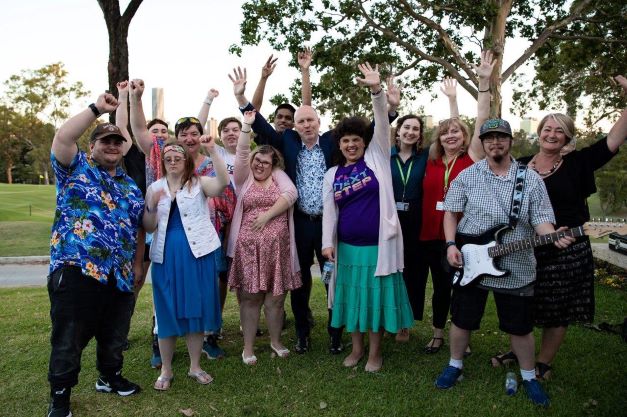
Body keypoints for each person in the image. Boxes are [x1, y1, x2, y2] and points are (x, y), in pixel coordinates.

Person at [230, 64, 400, 355]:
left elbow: (370, 132)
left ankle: (336, 333)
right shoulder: (287, 141)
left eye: (311, 120)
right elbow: (259, 124)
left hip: (331, 223)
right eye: (301, 121)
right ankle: (302, 333)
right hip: (300, 222)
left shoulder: (333, 141)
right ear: (295, 126)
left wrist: (390, 109)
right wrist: (241, 98)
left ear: (319, 122)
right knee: (300, 281)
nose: (306, 125)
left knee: (334, 279)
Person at [491, 75, 627, 379]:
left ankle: (544, 363)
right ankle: (519, 350)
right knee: (523, 302)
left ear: (567, 138)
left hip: (569, 247)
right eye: (547, 129)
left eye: (559, 131)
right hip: (527, 246)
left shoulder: (579, 163)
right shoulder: (520, 165)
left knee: (558, 307)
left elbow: (615, 139)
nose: (552, 135)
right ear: (539, 133)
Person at [434, 117, 575, 407]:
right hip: (472, 260)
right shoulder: (468, 175)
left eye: (501, 138)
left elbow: (542, 219)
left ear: (511, 142)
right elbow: (451, 212)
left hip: (519, 265)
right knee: (462, 319)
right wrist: (450, 245)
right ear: (482, 143)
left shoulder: (531, 179)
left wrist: (552, 235)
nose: (495, 143)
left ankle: (528, 376)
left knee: (520, 326)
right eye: (489, 139)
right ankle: (454, 365)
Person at [47, 93, 144, 417]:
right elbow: (63, 137)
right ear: (92, 146)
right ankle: (60, 398)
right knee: (69, 338)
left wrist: (167, 196)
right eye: (105, 141)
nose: (112, 146)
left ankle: (109, 376)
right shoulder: (75, 169)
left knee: (114, 333)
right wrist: (97, 110)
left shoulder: (130, 186)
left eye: (117, 142)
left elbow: (145, 223)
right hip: (77, 269)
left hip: (118, 274)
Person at [130, 80, 235, 361]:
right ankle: (160, 347)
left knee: (198, 298)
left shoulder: (203, 173)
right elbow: (140, 130)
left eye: (194, 135)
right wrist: (134, 98)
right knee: (165, 298)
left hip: (201, 239)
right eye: (183, 136)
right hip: (165, 241)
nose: (188, 141)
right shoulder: (158, 165)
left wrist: (212, 146)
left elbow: (222, 184)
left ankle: (203, 347)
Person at [321, 64, 414, 373]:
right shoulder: (333, 174)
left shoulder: (376, 158)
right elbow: (329, 212)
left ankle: (375, 353)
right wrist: (326, 245)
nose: (351, 145)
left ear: (364, 141)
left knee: (372, 301)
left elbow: (382, 125)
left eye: (355, 140)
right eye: (345, 141)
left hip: (377, 248)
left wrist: (377, 92)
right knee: (351, 300)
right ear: (340, 145)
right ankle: (357, 348)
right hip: (346, 249)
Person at [412, 51, 495, 351]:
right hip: (429, 235)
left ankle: (462, 334)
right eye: (445, 132)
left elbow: (483, 118)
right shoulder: (430, 162)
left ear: (466, 137)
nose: (451, 136)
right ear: (439, 138)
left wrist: (483, 84)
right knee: (434, 287)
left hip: (462, 235)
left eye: (457, 132)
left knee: (460, 286)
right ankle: (436, 333)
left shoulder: (471, 158)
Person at [143, 138, 229, 390]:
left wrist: (212, 150)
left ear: (186, 160)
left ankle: (195, 366)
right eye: (168, 159)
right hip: (165, 255)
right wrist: (150, 205)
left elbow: (222, 183)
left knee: (195, 309)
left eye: (177, 158)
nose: (172, 162)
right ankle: (166, 370)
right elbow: (149, 226)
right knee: (166, 310)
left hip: (196, 254)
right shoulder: (154, 187)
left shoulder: (199, 183)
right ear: (163, 162)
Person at [227, 110, 301, 365]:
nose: (260, 165)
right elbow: (241, 152)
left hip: (277, 250)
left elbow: (291, 194)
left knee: (276, 299)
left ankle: (275, 340)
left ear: (273, 165)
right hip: (248, 250)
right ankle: (248, 347)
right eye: (257, 160)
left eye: (266, 163)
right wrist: (246, 127)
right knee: (250, 298)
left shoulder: (278, 177)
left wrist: (267, 216)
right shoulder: (243, 177)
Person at [249, 48, 313, 133]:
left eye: (288, 118)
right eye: (279, 116)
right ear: (273, 120)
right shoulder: (266, 136)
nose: (283, 120)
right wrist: (263, 78)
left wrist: (305, 70)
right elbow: (253, 111)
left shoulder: (298, 139)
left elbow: (306, 109)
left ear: (294, 123)